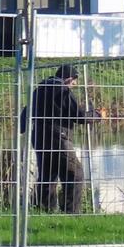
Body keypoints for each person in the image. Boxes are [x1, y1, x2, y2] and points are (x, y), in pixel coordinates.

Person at [28, 64, 103, 214]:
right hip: (58, 138)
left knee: (47, 175)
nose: (74, 85)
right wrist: (96, 115)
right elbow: (79, 116)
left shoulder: (39, 90)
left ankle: (46, 211)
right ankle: (72, 213)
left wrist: (23, 128)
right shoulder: (62, 90)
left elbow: (26, 111)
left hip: (38, 137)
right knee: (75, 174)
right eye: (74, 81)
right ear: (68, 78)